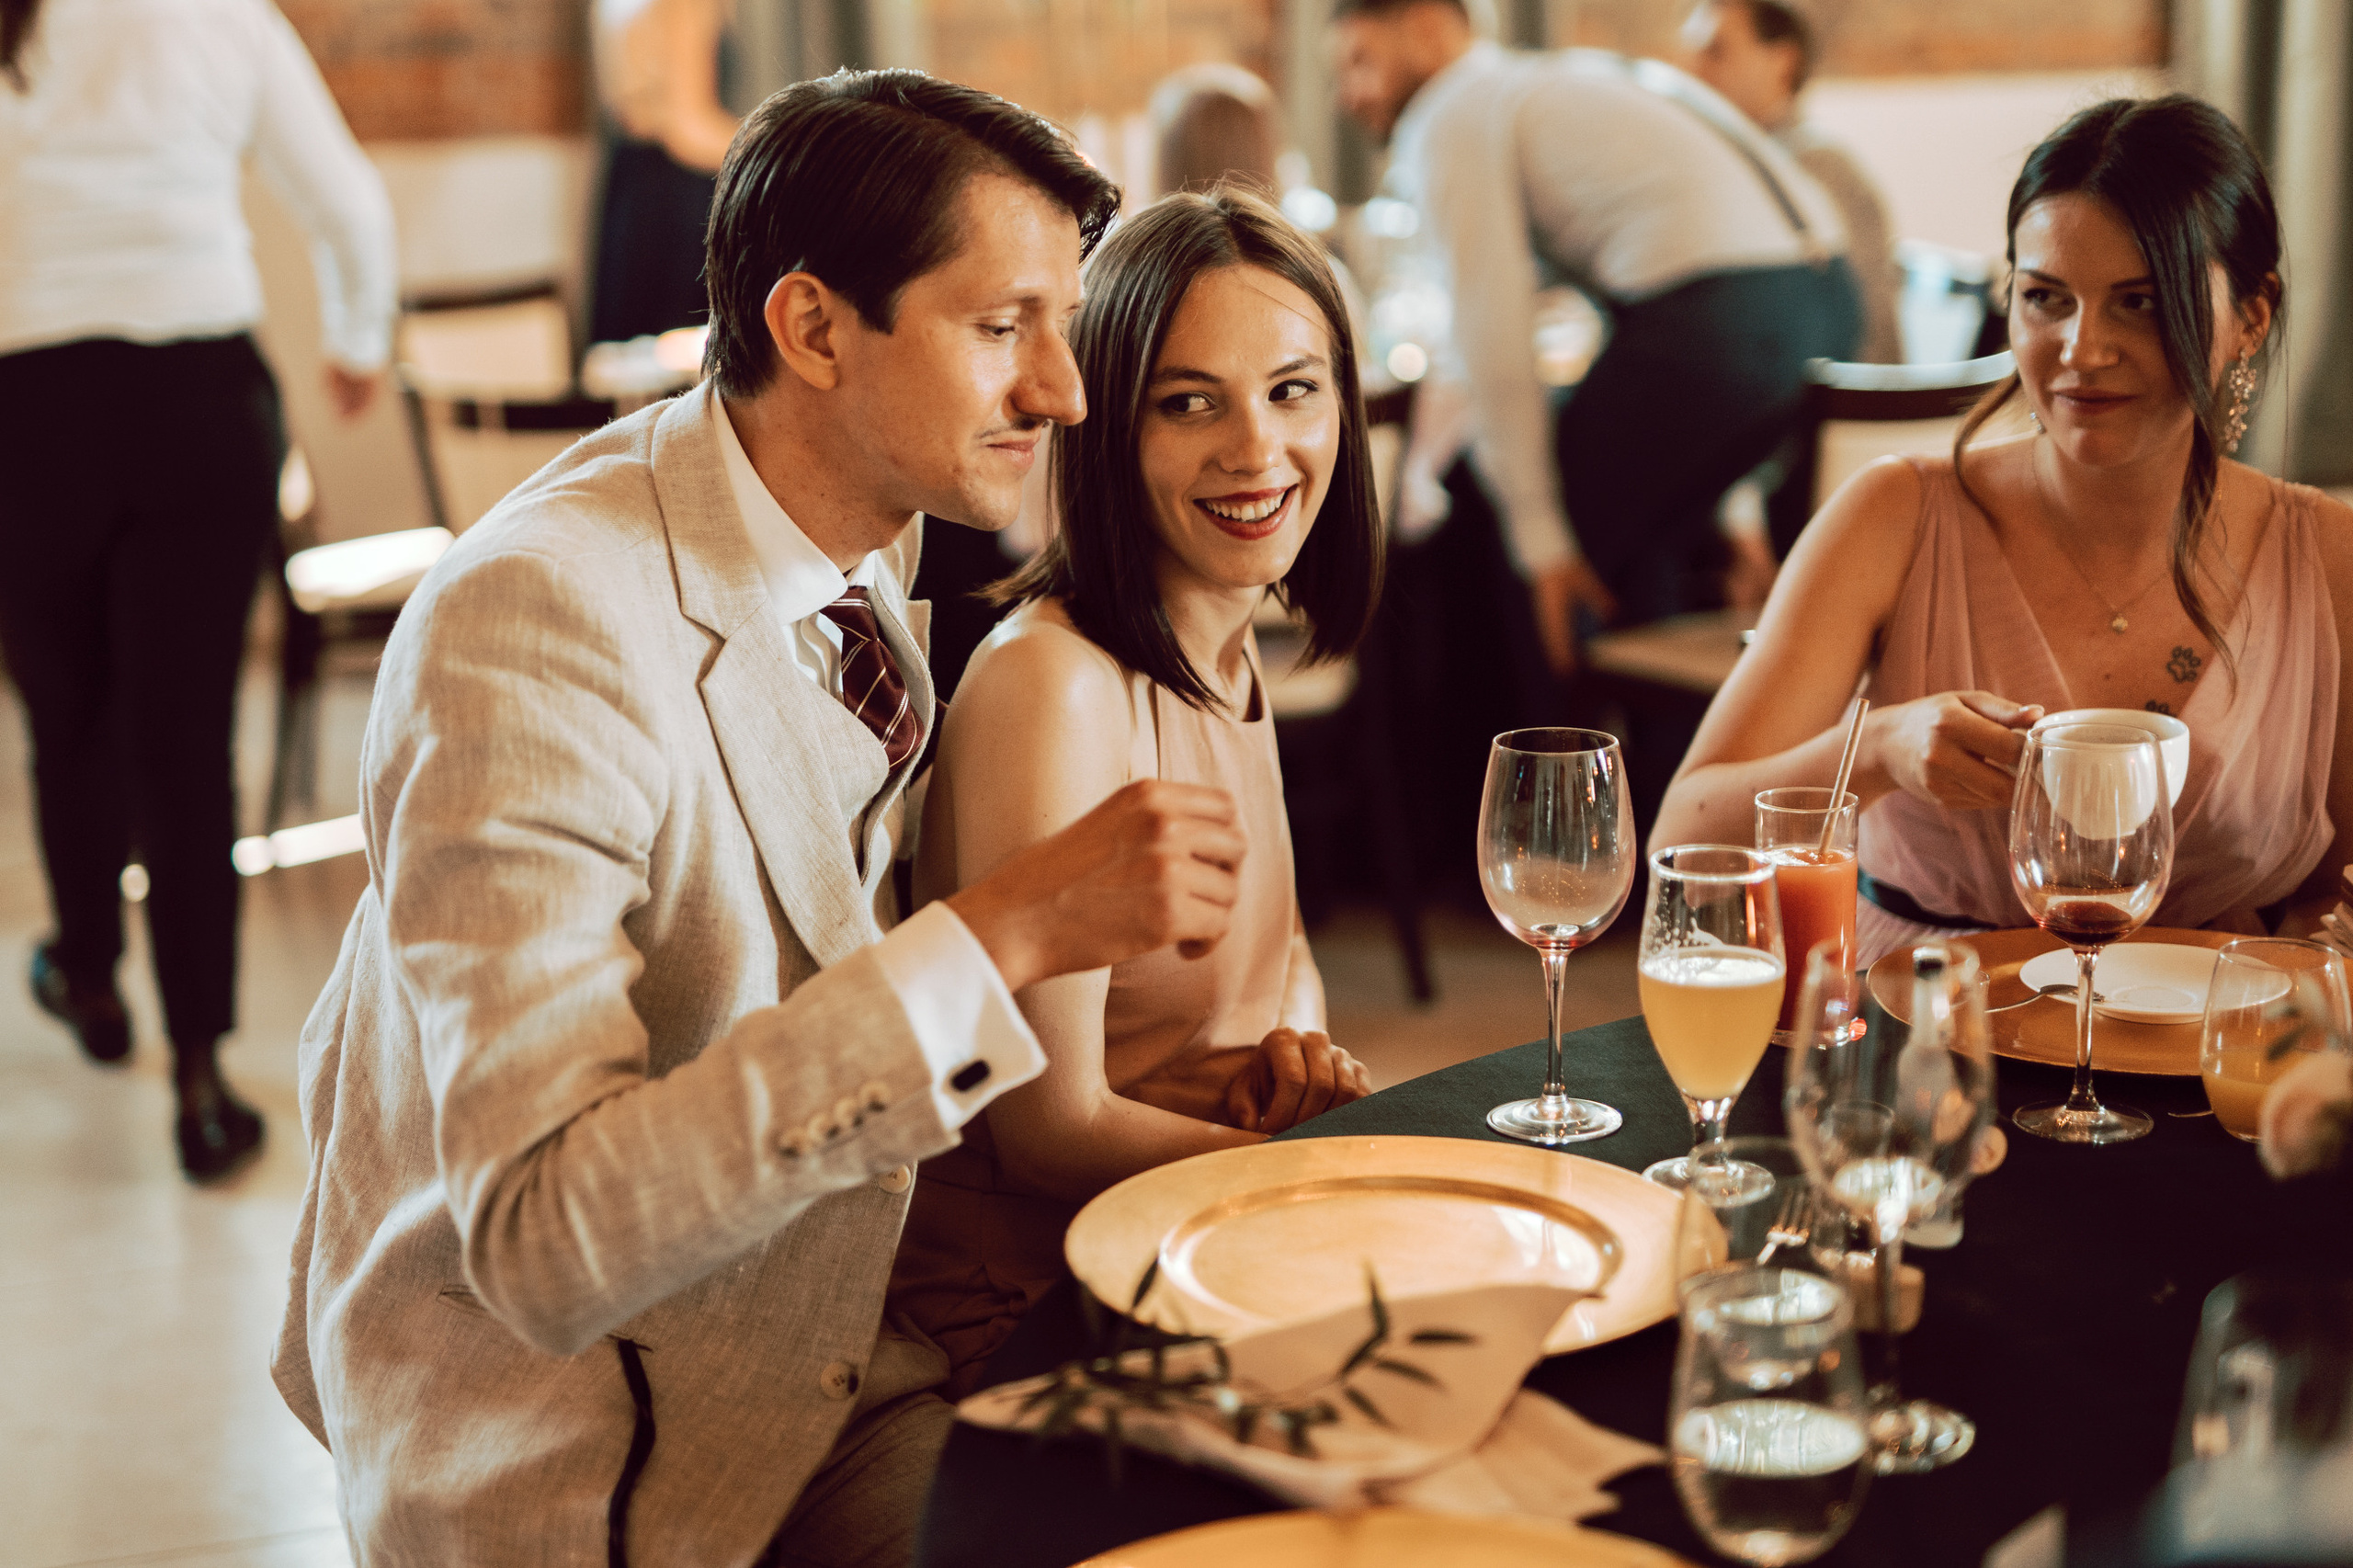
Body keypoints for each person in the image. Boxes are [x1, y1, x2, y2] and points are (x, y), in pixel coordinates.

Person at [271, 71, 1254, 1565]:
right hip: (602, 1460)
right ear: (812, 330)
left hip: (840, 1351)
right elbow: (543, 1239)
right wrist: (1004, 932)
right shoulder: (536, 622)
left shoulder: (856, 532)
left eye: (1063, 323)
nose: (1063, 390)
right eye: (1004, 327)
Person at [1652, 96, 2353, 967]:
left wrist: (2294, 975)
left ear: (2252, 315)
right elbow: (1683, 849)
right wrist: (1879, 750)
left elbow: (2341, 885)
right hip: (1927, 1025)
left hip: (2215, 1035)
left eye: (2139, 302)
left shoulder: (2327, 557)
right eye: (2046, 298)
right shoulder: (1894, 517)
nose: (2082, 350)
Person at [889, 188, 1381, 1392]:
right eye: (1188, 402)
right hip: (1032, 1300)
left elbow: (1280, 946)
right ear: (1107, 426)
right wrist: (1329, 1178)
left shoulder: (1226, 644)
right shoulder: (1056, 682)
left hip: (1190, 1233)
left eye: (1292, 390)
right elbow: (1046, 1126)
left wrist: (1292, 1049)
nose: (1256, 448)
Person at [0, 0, 396, 1181]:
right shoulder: (221, 15)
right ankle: (201, 1078)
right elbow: (348, 203)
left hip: (28, 413)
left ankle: (89, 977)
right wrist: (358, 338)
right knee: (185, 748)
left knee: (68, 720)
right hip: (202, 407)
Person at [1331, 0, 1859, 832]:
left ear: (1431, 27)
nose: (1350, 93)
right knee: (1628, 553)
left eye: (1361, 60)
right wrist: (1733, 502)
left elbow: (1491, 332)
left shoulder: (1452, 110)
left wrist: (1541, 542)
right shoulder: (1558, 82)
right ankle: (1678, 822)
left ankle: (1550, 844)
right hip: (1823, 299)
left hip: (1718, 319)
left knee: (1528, 545)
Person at [1684, 0, 1901, 365]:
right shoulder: (1747, 158)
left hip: (1842, 387)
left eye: (1715, 51)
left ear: (1782, 61)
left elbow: (1841, 332)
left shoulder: (1814, 166)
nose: (1694, 71)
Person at [587, 0, 740, 342]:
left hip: (634, 186)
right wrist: (786, 146)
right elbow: (689, 128)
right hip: (675, 198)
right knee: (680, 352)